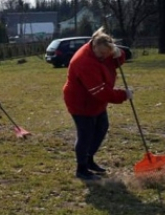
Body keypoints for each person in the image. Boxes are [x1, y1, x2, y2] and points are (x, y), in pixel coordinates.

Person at [63, 27, 130, 180]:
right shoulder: (83, 61)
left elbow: (113, 62)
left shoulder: (102, 51)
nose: (103, 57)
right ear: (93, 46)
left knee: (101, 127)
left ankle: (89, 160)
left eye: (107, 54)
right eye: (101, 54)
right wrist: (123, 94)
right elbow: (100, 91)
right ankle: (81, 169)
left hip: (96, 101)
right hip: (81, 101)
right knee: (86, 134)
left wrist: (120, 55)